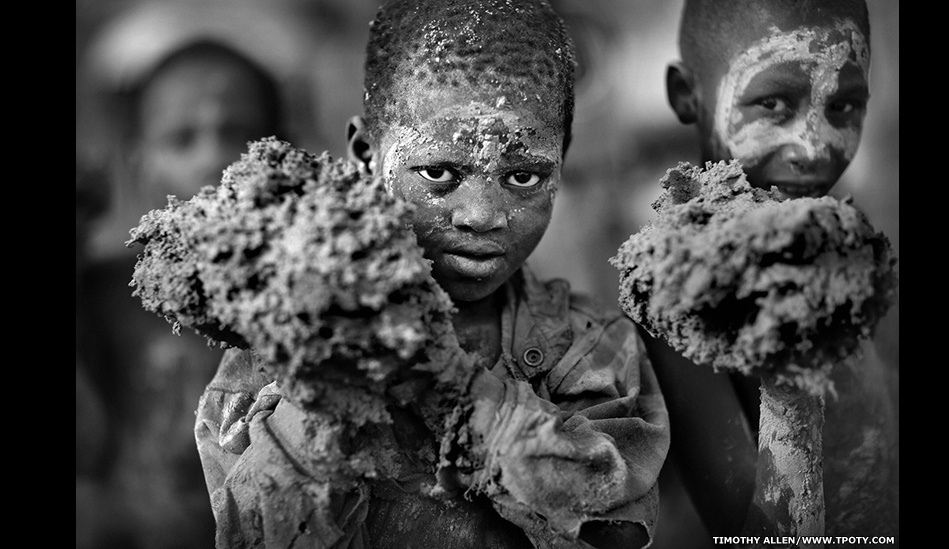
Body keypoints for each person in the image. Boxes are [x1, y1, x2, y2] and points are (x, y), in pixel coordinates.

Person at [193, 1, 670, 548]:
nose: (483, 215)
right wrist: (331, 382)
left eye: (522, 176)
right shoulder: (277, 356)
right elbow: (258, 535)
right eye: (440, 172)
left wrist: (445, 383)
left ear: (560, 163)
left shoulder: (593, 349)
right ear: (366, 157)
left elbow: (615, 532)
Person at [654, 0, 898, 541]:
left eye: (844, 107)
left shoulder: (843, 242)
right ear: (687, 95)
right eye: (771, 103)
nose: (814, 149)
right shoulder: (675, 292)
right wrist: (791, 377)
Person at [76, 26, 290, 549]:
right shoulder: (99, 295)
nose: (211, 159)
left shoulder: (315, 293)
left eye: (239, 133)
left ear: (286, 154)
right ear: (137, 160)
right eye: (180, 138)